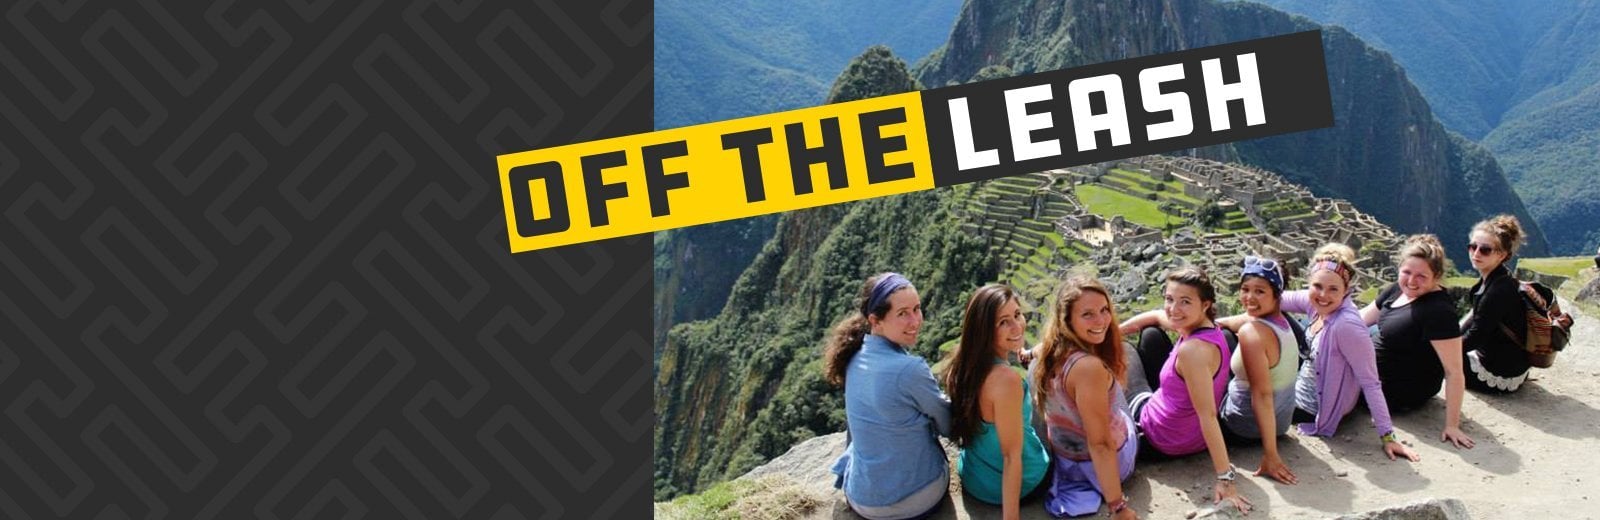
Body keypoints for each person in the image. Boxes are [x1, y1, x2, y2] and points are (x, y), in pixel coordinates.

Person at [1119, 267, 1252, 513]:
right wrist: (1115, 329)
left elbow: (1208, 415)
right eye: (1170, 299)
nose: (1173, 309)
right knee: (1151, 334)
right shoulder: (1212, 329)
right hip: (1189, 433)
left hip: (1159, 436)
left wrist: (1226, 479)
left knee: (1124, 351)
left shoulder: (1193, 352)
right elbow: (1156, 316)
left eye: (1185, 302)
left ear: (1205, 304)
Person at [827, 272, 951, 520]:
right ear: (876, 320)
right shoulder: (910, 369)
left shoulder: (852, 356)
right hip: (914, 501)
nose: (915, 321)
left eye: (917, 309)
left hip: (861, 498)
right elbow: (947, 424)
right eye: (903, 313)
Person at [1286, 244, 1420, 461]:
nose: (1323, 295)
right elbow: (1271, 299)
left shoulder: (1346, 326)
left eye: (1333, 289)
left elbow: (1370, 382)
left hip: (1311, 407)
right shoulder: (1316, 303)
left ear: (1346, 291)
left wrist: (1388, 436)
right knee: (1264, 317)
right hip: (1303, 387)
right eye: (1317, 286)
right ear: (1309, 284)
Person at [1029, 275, 1138, 519]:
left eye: (1104, 310)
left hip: (1068, 463)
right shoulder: (1089, 368)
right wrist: (1118, 506)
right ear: (1066, 320)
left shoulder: (1047, 352)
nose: (1101, 320)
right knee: (1128, 357)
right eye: (1087, 314)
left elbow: (1037, 350)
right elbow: (1100, 444)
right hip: (1105, 466)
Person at [943, 284, 1049, 520]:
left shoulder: (960, 367)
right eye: (1003, 322)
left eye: (1017, 315)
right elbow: (1012, 456)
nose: (1017, 326)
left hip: (974, 478)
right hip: (1018, 485)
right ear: (984, 330)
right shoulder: (1006, 381)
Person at [1359, 235, 1475, 448]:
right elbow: (1359, 320)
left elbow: (1454, 371)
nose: (1412, 281)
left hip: (1397, 392)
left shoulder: (1439, 312)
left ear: (1437, 276)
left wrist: (1452, 425)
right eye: (1407, 272)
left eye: (1422, 276)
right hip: (1381, 373)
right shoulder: (1397, 290)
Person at [1212, 256, 1300, 484]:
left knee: (1156, 342)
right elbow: (1227, 322)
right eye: (1245, 289)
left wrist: (1271, 455)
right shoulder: (1282, 322)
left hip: (1241, 426)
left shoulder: (1252, 333)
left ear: (1276, 294)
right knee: (1221, 334)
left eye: (1259, 291)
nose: (1249, 297)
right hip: (1281, 423)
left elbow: (1262, 395)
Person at [1459, 215, 1532, 392]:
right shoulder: (1499, 279)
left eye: (1485, 250)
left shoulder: (1498, 291)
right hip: (1513, 365)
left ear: (1502, 255)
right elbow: (1473, 320)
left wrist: (1439, 346)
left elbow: (1474, 338)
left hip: (1498, 374)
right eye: (1472, 246)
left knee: (1435, 357)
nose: (1475, 253)